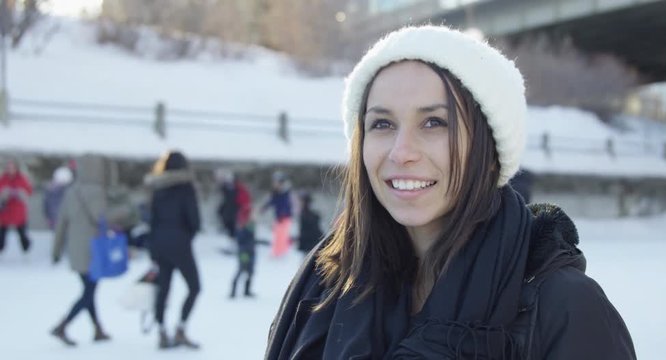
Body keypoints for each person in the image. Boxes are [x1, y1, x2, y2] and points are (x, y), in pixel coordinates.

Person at [265, 26, 636, 359]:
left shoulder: (564, 308)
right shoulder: (323, 286)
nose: (400, 152)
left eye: (434, 122)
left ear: (490, 152)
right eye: (381, 123)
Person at [51, 155, 112, 346]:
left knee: (89, 289)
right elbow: (103, 219)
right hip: (94, 250)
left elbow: (61, 223)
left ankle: (97, 329)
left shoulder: (71, 192)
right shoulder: (98, 192)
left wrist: (57, 250)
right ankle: (63, 325)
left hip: (75, 250)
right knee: (89, 291)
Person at [146, 151, 201, 349]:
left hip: (160, 245)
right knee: (194, 287)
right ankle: (180, 329)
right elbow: (194, 221)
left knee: (163, 290)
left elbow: (151, 221)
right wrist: (186, 236)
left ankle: (161, 332)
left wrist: (153, 249)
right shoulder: (186, 188)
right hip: (181, 244)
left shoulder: (157, 188)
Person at [0, 159, 33, 254]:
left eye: (12, 167)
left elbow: (29, 191)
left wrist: (21, 193)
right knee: (2, 237)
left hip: (18, 212)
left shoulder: (22, 179)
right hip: (5, 212)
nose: (10, 169)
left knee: (23, 235)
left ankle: (26, 250)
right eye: (9, 167)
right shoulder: (3, 179)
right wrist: (3, 194)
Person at [261, 171, 294, 257]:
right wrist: (263, 208)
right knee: (277, 235)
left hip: (284, 218)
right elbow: (271, 202)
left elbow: (287, 205)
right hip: (278, 217)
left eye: (276, 182)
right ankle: (277, 252)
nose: (274, 184)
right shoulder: (275, 193)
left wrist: (283, 214)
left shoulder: (285, 193)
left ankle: (282, 253)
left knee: (282, 236)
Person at [229, 212, 257, 299]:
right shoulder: (242, 228)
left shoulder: (251, 227)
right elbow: (240, 241)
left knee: (250, 272)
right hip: (244, 253)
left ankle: (247, 291)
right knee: (241, 270)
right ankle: (233, 292)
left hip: (251, 252)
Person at [43, 166, 74, 230]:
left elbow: (46, 205)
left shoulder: (50, 190)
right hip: (57, 218)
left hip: (56, 218)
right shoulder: (70, 191)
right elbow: (46, 205)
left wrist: (48, 217)